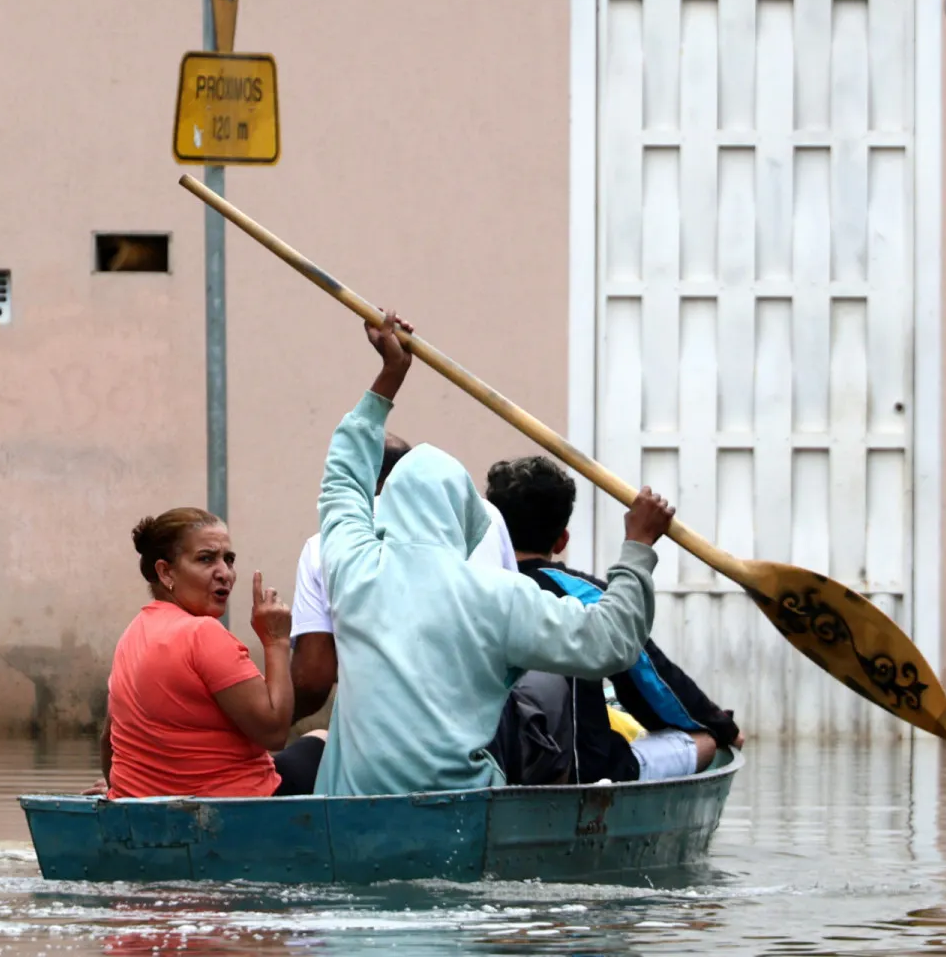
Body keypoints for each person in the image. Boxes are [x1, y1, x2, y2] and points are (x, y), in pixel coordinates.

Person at [312, 308, 676, 796]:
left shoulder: (351, 568)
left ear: (389, 508)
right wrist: (638, 546)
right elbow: (612, 642)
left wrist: (389, 378)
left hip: (351, 808)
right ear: (464, 519)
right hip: (458, 811)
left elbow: (343, 478)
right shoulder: (499, 597)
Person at [486, 456, 743, 784]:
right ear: (562, 540)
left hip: (493, 765)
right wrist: (722, 726)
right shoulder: (585, 595)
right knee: (706, 743)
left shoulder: (472, 588)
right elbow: (653, 680)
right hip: (583, 769)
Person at [90, 507, 326, 799]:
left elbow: (108, 741)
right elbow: (274, 732)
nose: (224, 573)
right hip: (240, 807)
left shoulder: (132, 634)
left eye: (228, 560)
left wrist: (119, 789)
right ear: (165, 572)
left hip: (147, 805)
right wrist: (275, 640)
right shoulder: (202, 634)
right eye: (206, 559)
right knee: (324, 740)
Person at [290, 434, 518, 722]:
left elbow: (312, 680)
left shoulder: (325, 544)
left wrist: (266, 721)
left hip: (388, 726)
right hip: (489, 718)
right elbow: (512, 625)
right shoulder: (487, 516)